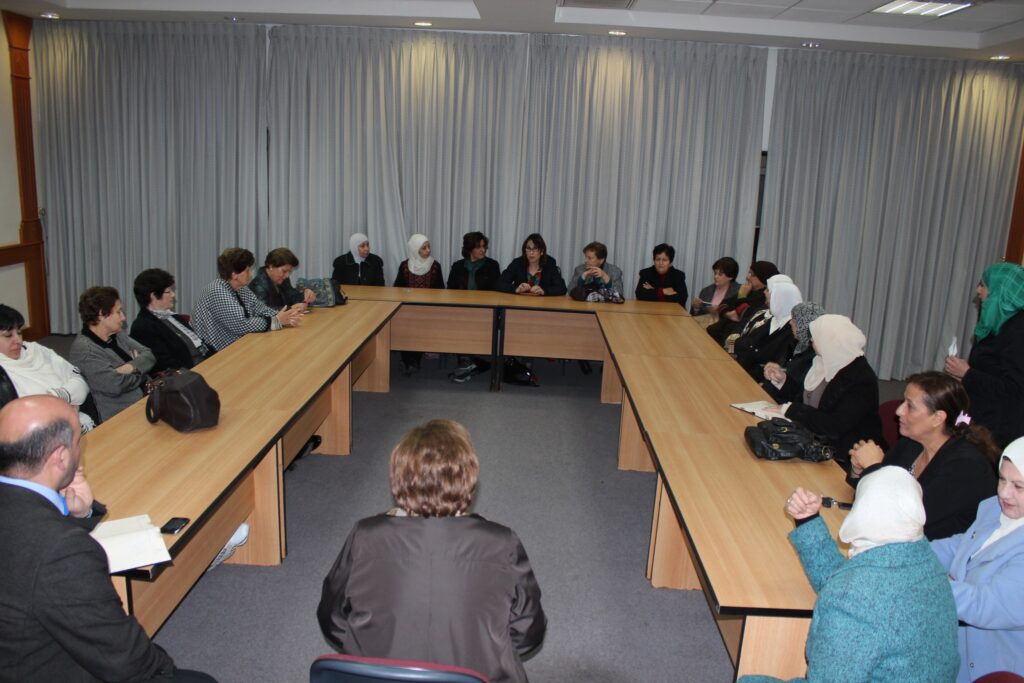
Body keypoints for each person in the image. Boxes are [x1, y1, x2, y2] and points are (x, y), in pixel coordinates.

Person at [0, 395, 216, 682]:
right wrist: (168, 671)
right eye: (78, 440)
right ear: (60, 456)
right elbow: (124, 660)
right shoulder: (61, 549)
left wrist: (79, 513)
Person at [317, 420, 546, 683]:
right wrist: (488, 649)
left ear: (398, 478)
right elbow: (529, 631)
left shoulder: (365, 536)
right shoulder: (502, 542)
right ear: (469, 478)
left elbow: (332, 619)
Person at [739, 467, 959, 682]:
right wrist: (807, 520)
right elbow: (842, 583)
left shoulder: (854, 600)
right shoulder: (924, 563)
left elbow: (850, 598)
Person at [849, 372, 998, 540]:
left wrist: (873, 468)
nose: (899, 411)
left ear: (937, 418)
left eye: (910, 406)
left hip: (936, 551)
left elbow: (900, 519)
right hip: (897, 541)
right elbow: (867, 501)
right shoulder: (912, 443)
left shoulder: (966, 466)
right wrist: (859, 470)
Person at [931, 437, 1024, 682]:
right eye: (1002, 479)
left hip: (989, 668)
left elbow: (985, 605)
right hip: (950, 645)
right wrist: (906, 554)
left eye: (1019, 486)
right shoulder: (996, 509)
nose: (1004, 492)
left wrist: (926, 582)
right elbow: (960, 547)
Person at [781, 314, 885, 466]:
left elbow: (835, 426)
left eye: (816, 337)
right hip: (814, 440)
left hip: (846, 456)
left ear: (830, 341)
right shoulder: (823, 360)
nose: (811, 340)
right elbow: (806, 397)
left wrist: (793, 410)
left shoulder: (861, 379)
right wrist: (783, 381)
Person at [945, 262, 1024, 448]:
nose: (978, 290)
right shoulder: (998, 320)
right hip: (982, 414)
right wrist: (965, 373)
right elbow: (991, 370)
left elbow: (1015, 389)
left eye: (983, 285)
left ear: (1000, 290)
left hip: (999, 429)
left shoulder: (1019, 331)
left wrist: (968, 374)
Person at [0, 304, 95, 432]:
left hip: (79, 424)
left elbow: (81, 381)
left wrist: (57, 396)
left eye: (19, 332)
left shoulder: (35, 350)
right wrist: (66, 401)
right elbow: (24, 419)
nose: (18, 340)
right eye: (8, 335)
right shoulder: (3, 373)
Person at [69, 286, 156, 422]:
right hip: (123, 413)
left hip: (147, 397)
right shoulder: (85, 351)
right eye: (118, 312)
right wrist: (140, 370)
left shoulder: (117, 334)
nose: (123, 317)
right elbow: (115, 385)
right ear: (101, 315)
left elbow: (149, 355)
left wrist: (129, 367)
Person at [192, 248, 304, 352]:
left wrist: (284, 316)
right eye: (247, 270)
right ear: (234, 274)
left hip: (237, 345)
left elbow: (259, 308)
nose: (250, 274)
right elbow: (242, 324)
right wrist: (275, 321)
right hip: (214, 353)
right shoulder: (217, 290)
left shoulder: (241, 288)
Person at [130, 269, 213, 374]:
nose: (173, 295)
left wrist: (218, 357)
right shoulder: (143, 327)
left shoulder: (174, 317)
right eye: (168, 291)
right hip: (190, 376)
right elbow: (164, 364)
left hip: (207, 367)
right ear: (153, 296)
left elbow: (200, 344)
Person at [447, 231, 500, 382]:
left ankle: (467, 362)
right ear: (470, 249)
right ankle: (467, 361)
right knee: (459, 321)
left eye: (484, 247)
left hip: (485, 311)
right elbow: (450, 289)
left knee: (469, 323)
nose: (483, 250)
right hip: (461, 310)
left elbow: (497, 290)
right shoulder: (458, 266)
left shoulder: (492, 265)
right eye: (478, 247)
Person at [394, 234, 445, 375]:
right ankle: (406, 360)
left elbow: (440, 290)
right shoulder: (405, 266)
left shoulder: (435, 266)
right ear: (415, 249)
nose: (428, 250)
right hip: (407, 308)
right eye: (423, 248)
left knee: (420, 327)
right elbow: (397, 288)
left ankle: (414, 361)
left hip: (428, 309)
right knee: (405, 326)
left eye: (428, 247)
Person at [734, 280, 801, 381]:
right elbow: (744, 343)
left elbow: (775, 362)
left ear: (782, 301)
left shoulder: (792, 330)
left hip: (761, 379)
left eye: (772, 299)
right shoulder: (773, 320)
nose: (767, 303)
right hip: (745, 370)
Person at [762, 302, 825, 404]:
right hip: (772, 396)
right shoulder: (796, 344)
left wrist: (782, 377)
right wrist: (779, 371)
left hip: (783, 404)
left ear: (805, 326)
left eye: (795, 320)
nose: (790, 323)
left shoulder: (814, 356)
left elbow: (798, 391)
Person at [706, 260, 779, 346]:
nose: (747, 277)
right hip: (722, 332)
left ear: (762, 277)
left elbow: (744, 315)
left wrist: (742, 296)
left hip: (737, 339)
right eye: (749, 273)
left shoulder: (765, 298)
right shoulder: (749, 290)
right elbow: (722, 305)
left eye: (752, 274)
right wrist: (729, 314)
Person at [497, 233, 567, 297]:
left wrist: (544, 291)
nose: (531, 252)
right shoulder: (517, 263)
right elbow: (499, 283)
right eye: (528, 248)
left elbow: (562, 288)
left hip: (543, 304)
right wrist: (516, 289)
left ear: (542, 251)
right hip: (520, 303)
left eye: (535, 249)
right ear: (525, 250)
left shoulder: (550, 264)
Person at [247, 248, 317, 310]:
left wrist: (305, 296)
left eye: (289, 272)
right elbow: (264, 311)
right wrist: (290, 309)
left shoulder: (282, 279)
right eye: (284, 271)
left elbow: (291, 296)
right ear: (271, 266)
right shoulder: (257, 286)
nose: (287, 275)